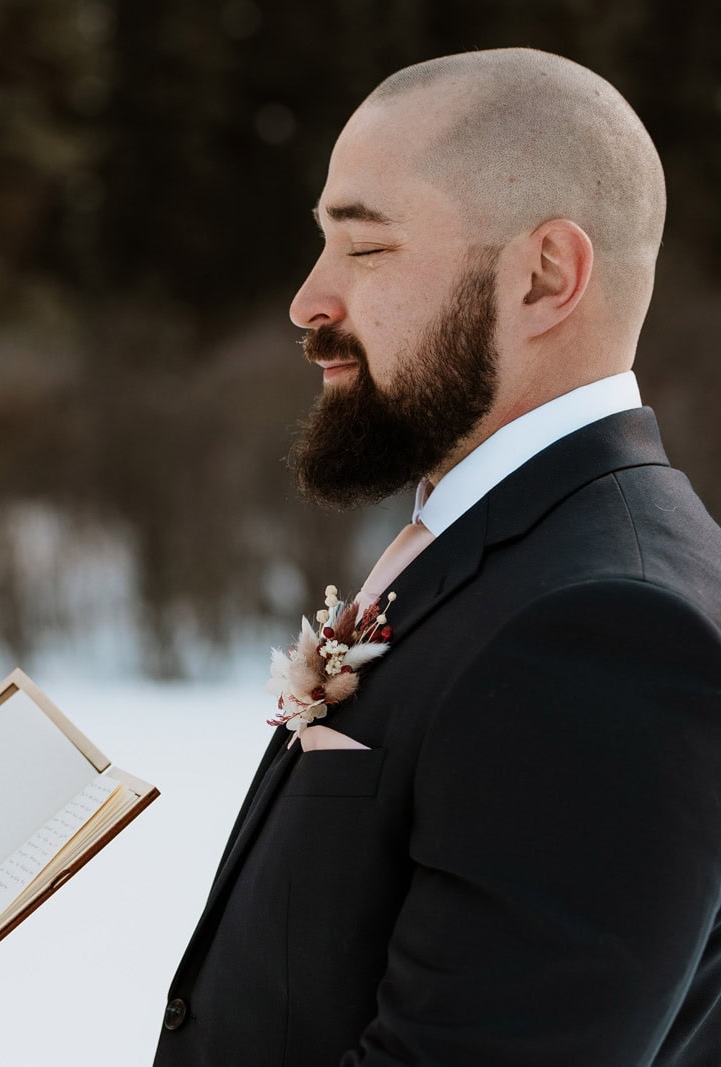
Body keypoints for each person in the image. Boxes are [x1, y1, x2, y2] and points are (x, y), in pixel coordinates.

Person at [154, 48, 721, 1065]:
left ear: (545, 276)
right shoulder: (512, 553)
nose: (307, 300)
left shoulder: (606, 622)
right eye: (319, 244)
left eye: (364, 250)